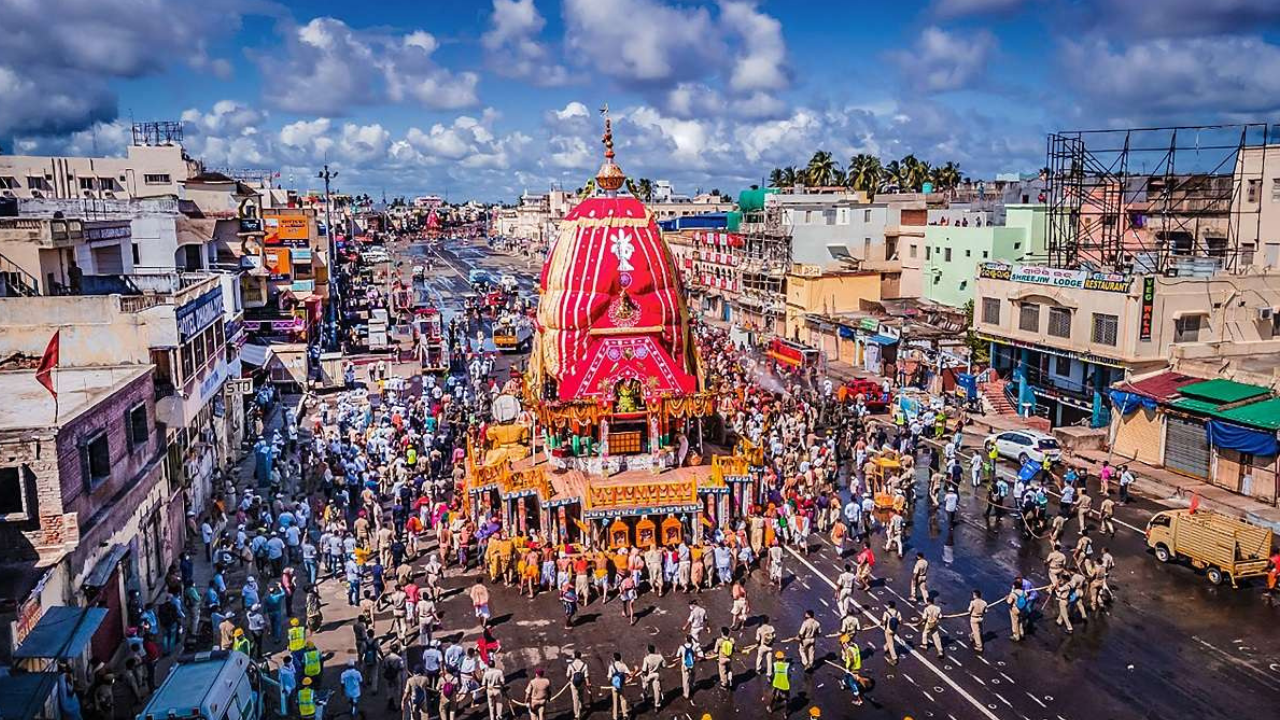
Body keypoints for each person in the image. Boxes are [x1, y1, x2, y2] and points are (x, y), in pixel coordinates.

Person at [637, 645, 664, 710]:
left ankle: (645, 696)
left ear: (648, 651)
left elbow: (644, 670)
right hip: (656, 675)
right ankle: (657, 705)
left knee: (646, 686)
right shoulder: (660, 657)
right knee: (657, 691)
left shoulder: (646, 658)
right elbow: (664, 665)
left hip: (649, 675)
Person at [567, 650, 591, 720]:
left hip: (573, 684)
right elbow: (586, 676)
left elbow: (568, 675)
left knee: (575, 699)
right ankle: (581, 707)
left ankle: (577, 715)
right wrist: (588, 684)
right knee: (581, 696)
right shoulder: (584, 665)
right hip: (581, 684)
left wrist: (570, 679)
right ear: (580, 656)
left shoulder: (571, 665)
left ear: (574, 656)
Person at [606, 652, 631, 720]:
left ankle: (615, 717)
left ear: (614, 658)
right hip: (622, 685)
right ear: (620, 658)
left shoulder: (611, 666)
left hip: (614, 686)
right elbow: (629, 674)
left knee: (615, 702)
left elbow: (609, 678)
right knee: (623, 699)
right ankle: (625, 714)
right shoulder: (623, 665)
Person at [881, 601, 902, 665]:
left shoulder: (886, 612)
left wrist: (881, 623)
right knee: (890, 640)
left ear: (889, 606)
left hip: (888, 630)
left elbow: (884, 622)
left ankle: (894, 658)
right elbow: (900, 621)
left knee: (891, 644)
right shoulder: (897, 612)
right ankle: (885, 647)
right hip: (895, 629)